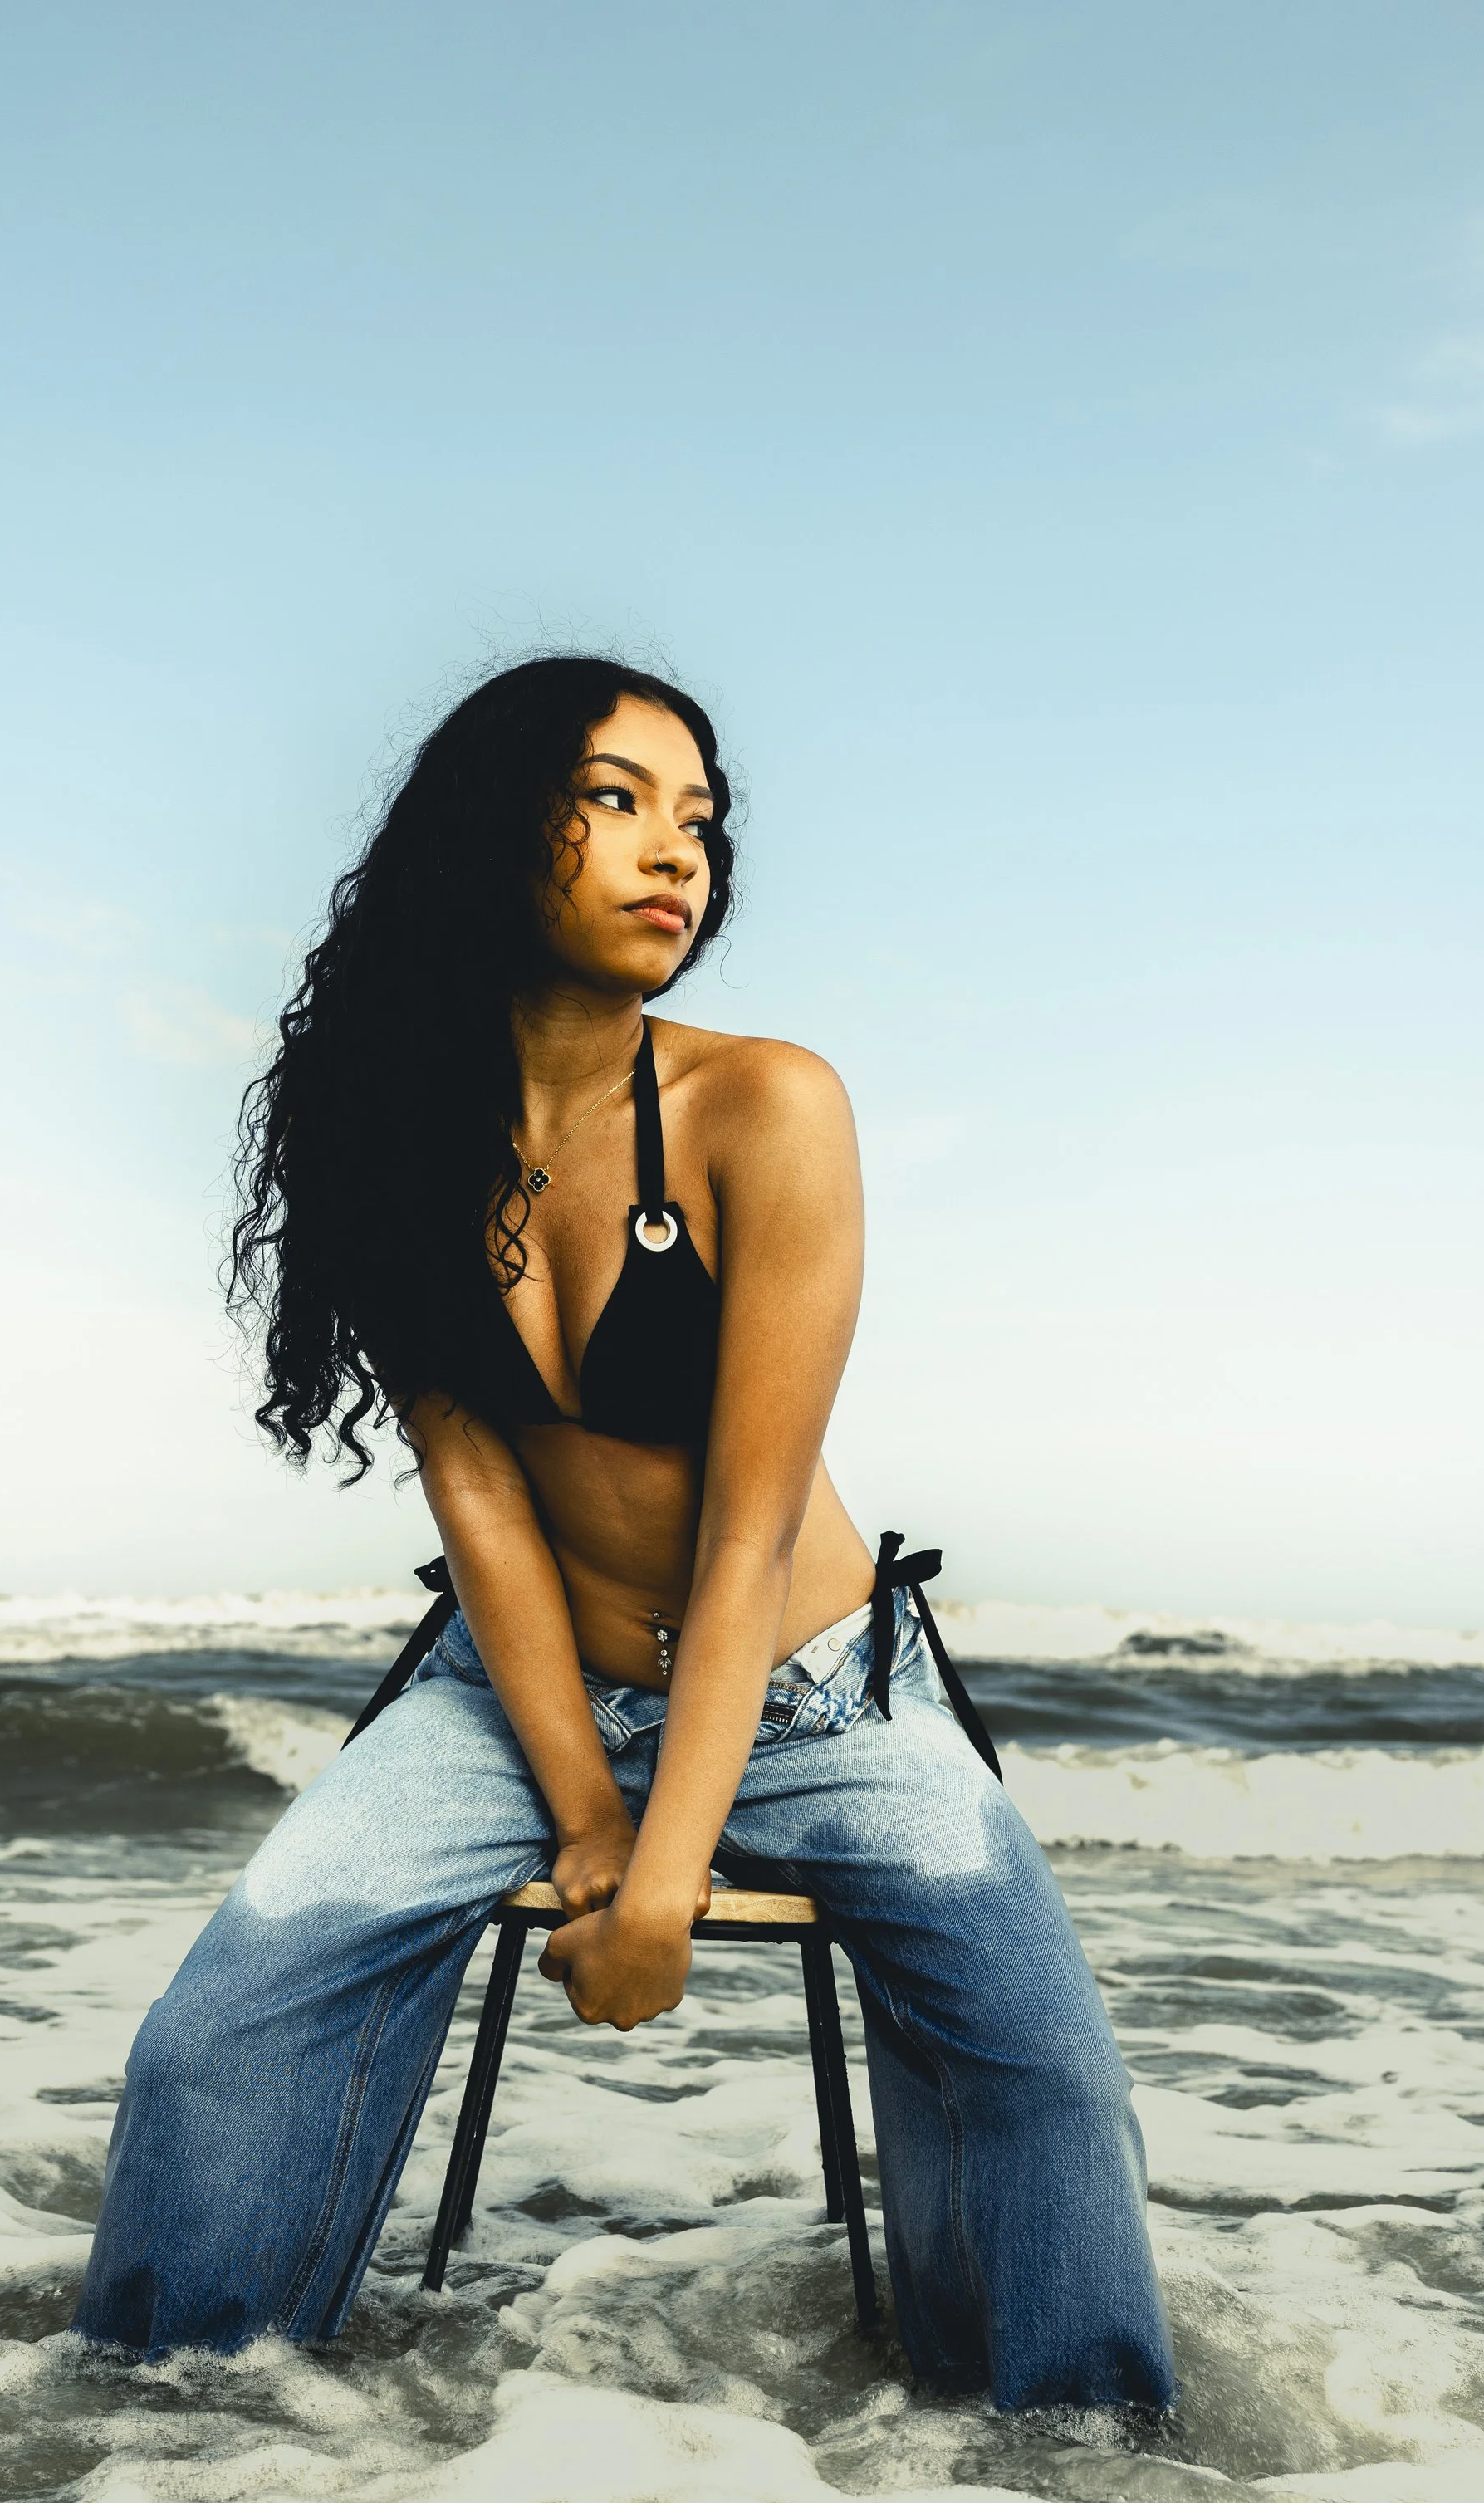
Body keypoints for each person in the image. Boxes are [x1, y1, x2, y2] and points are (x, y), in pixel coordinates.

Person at [73, 654, 1175, 2411]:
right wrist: (583, 1793)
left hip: (817, 1689)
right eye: (614, 799)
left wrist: (661, 1876)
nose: (675, 851)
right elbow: (479, 1492)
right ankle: (172, 2453)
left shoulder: (766, 1106)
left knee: (1044, 2072)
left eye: (698, 816)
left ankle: (1069, 2498)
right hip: (517, 1695)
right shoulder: (393, 1129)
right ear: (491, 827)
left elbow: (747, 1527)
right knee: (214, 2038)